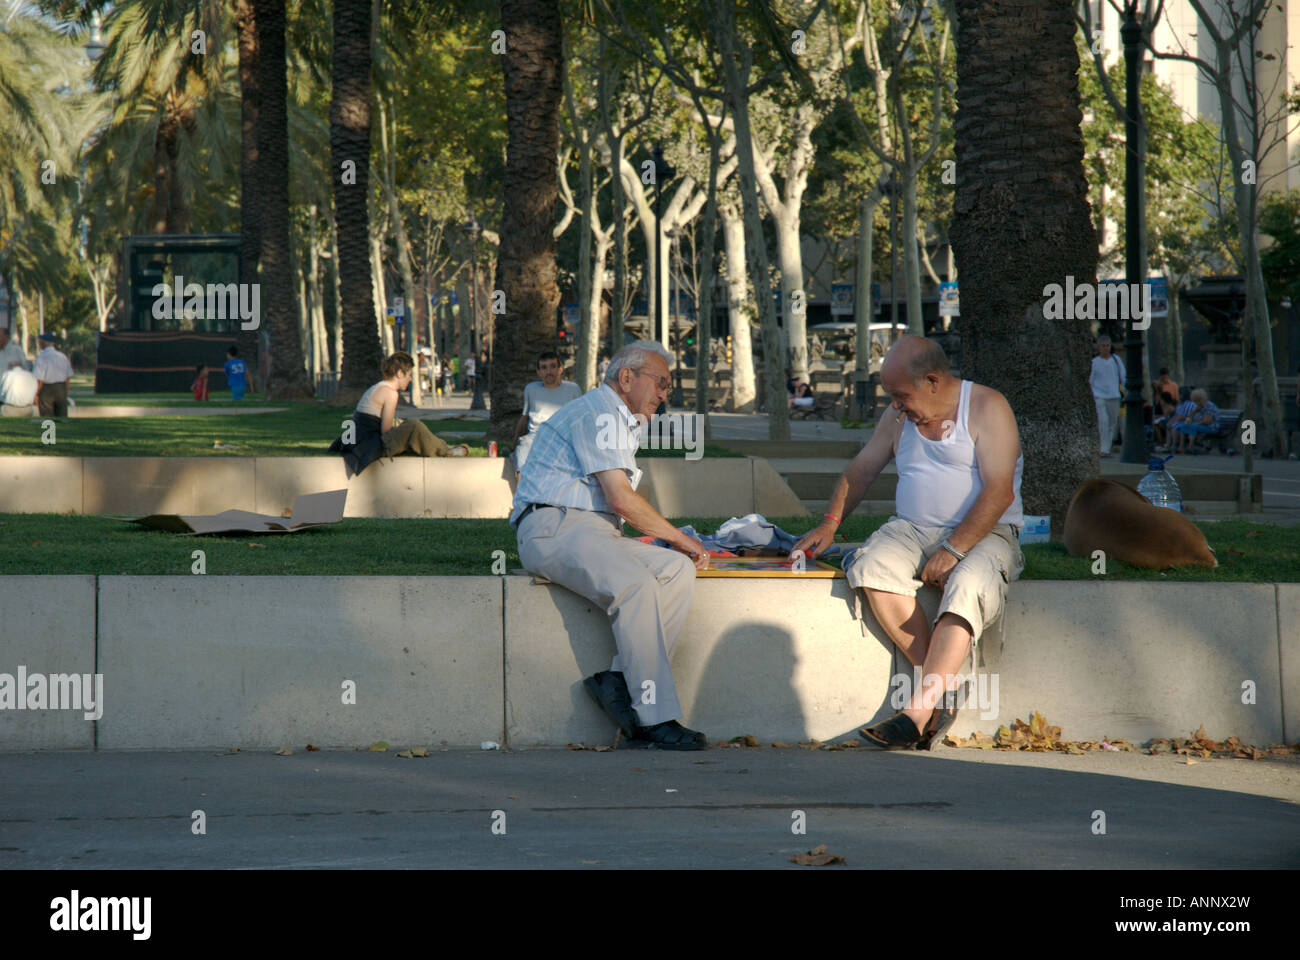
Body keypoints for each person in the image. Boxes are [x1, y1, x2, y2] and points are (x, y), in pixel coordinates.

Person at [791, 336, 1024, 750]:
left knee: (968, 584)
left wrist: (953, 550)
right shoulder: (898, 418)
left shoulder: (987, 406)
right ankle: (938, 690)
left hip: (986, 531)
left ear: (933, 381)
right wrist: (830, 523)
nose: (895, 405)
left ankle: (915, 713)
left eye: (900, 395)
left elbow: (999, 493)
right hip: (912, 529)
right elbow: (862, 469)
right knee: (870, 566)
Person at [512, 340, 710, 750]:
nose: (663, 394)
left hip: (588, 529)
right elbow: (620, 498)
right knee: (636, 584)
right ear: (625, 378)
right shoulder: (598, 412)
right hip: (553, 525)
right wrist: (679, 537)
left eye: (667, 387)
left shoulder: (617, 419)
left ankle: (618, 681)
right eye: (660, 383)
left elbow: (613, 506)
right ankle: (655, 717)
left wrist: (675, 548)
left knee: (675, 569)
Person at [328, 351, 467, 475]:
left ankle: (439, 446)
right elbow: (386, 431)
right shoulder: (390, 393)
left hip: (360, 441)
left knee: (404, 426)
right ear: (400, 373)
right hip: (370, 445)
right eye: (410, 375)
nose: (410, 379)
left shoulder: (378, 387)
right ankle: (445, 451)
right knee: (414, 425)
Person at [511, 351, 581, 478]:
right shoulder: (530, 389)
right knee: (522, 453)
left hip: (563, 438)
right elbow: (524, 417)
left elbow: (579, 419)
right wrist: (514, 443)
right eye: (544, 368)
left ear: (560, 369)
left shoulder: (573, 389)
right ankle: (522, 496)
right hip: (535, 437)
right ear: (538, 372)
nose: (548, 372)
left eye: (553, 366)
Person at [1090, 334, 1125, 457]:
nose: (1105, 348)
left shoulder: (1116, 360)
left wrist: (1123, 390)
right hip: (1099, 395)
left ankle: (1107, 449)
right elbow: (1091, 380)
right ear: (1098, 347)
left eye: (1107, 345)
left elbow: (1123, 377)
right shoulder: (1094, 362)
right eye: (1103, 346)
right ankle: (1102, 449)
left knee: (1111, 423)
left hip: (1114, 395)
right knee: (1103, 421)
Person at [32, 332, 73, 417]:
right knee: (62, 415)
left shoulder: (41, 357)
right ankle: (62, 429)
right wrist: (66, 391)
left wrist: (36, 393)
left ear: (43, 343)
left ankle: (49, 430)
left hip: (46, 389)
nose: (39, 344)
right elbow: (68, 377)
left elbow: (40, 380)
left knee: (47, 417)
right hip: (61, 388)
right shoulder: (62, 356)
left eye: (40, 342)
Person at [1169, 387, 1219, 455]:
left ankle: (1190, 446)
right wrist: (1194, 411)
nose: (1195, 403)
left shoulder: (1209, 406)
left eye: (1196, 401)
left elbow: (1206, 421)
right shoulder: (1198, 406)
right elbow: (1190, 417)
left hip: (1211, 427)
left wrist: (1194, 423)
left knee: (1193, 427)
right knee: (1183, 426)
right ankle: (1181, 446)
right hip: (1200, 425)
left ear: (1200, 399)